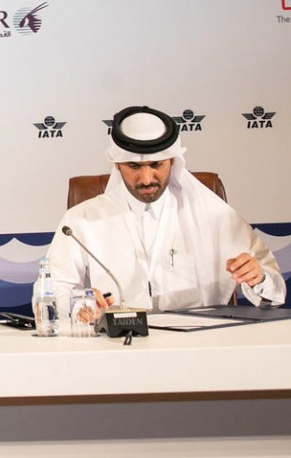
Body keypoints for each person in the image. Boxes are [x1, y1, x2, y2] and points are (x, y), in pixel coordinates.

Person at [40, 106, 285, 314]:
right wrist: (81, 304)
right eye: (133, 166)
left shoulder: (216, 216)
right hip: (118, 347)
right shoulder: (81, 220)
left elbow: (274, 296)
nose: (146, 179)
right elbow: (50, 295)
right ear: (117, 163)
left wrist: (259, 278)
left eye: (157, 164)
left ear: (173, 161)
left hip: (198, 350)